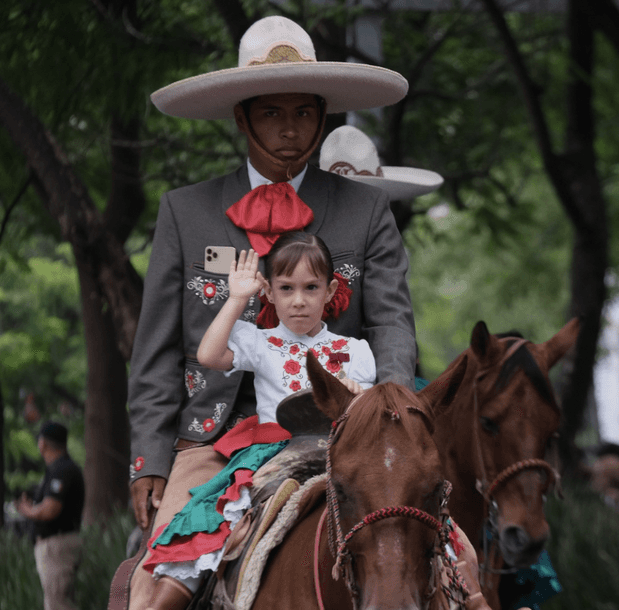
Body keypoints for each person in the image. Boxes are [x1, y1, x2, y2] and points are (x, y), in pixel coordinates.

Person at [126, 15, 416, 610]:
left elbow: (390, 324)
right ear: (243, 117)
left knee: (448, 556)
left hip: (342, 432)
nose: (289, 129)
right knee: (155, 591)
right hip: (211, 441)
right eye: (272, 113)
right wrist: (148, 458)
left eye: (304, 113)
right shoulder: (185, 211)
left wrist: (391, 425)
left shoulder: (366, 210)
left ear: (322, 116)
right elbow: (155, 350)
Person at [140, 234, 375, 605]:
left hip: (338, 452)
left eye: (311, 287)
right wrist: (237, 298)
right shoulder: (261, 341)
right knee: (221, 518)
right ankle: (179, 596)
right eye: (286, 288)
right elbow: (208, 354)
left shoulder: (354, 351)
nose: (298, 300)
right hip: (277, 452)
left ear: (330, 291)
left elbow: (367, 410)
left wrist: (357, 394)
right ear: (269, 291)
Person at [17, 422, 85, 610]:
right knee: (56, 603)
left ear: (43, 443)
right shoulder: (58, 469)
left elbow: (50, 509)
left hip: (58, 545)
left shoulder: (62, 470)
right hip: (57, 545)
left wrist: (28, 510)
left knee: (59, 604)